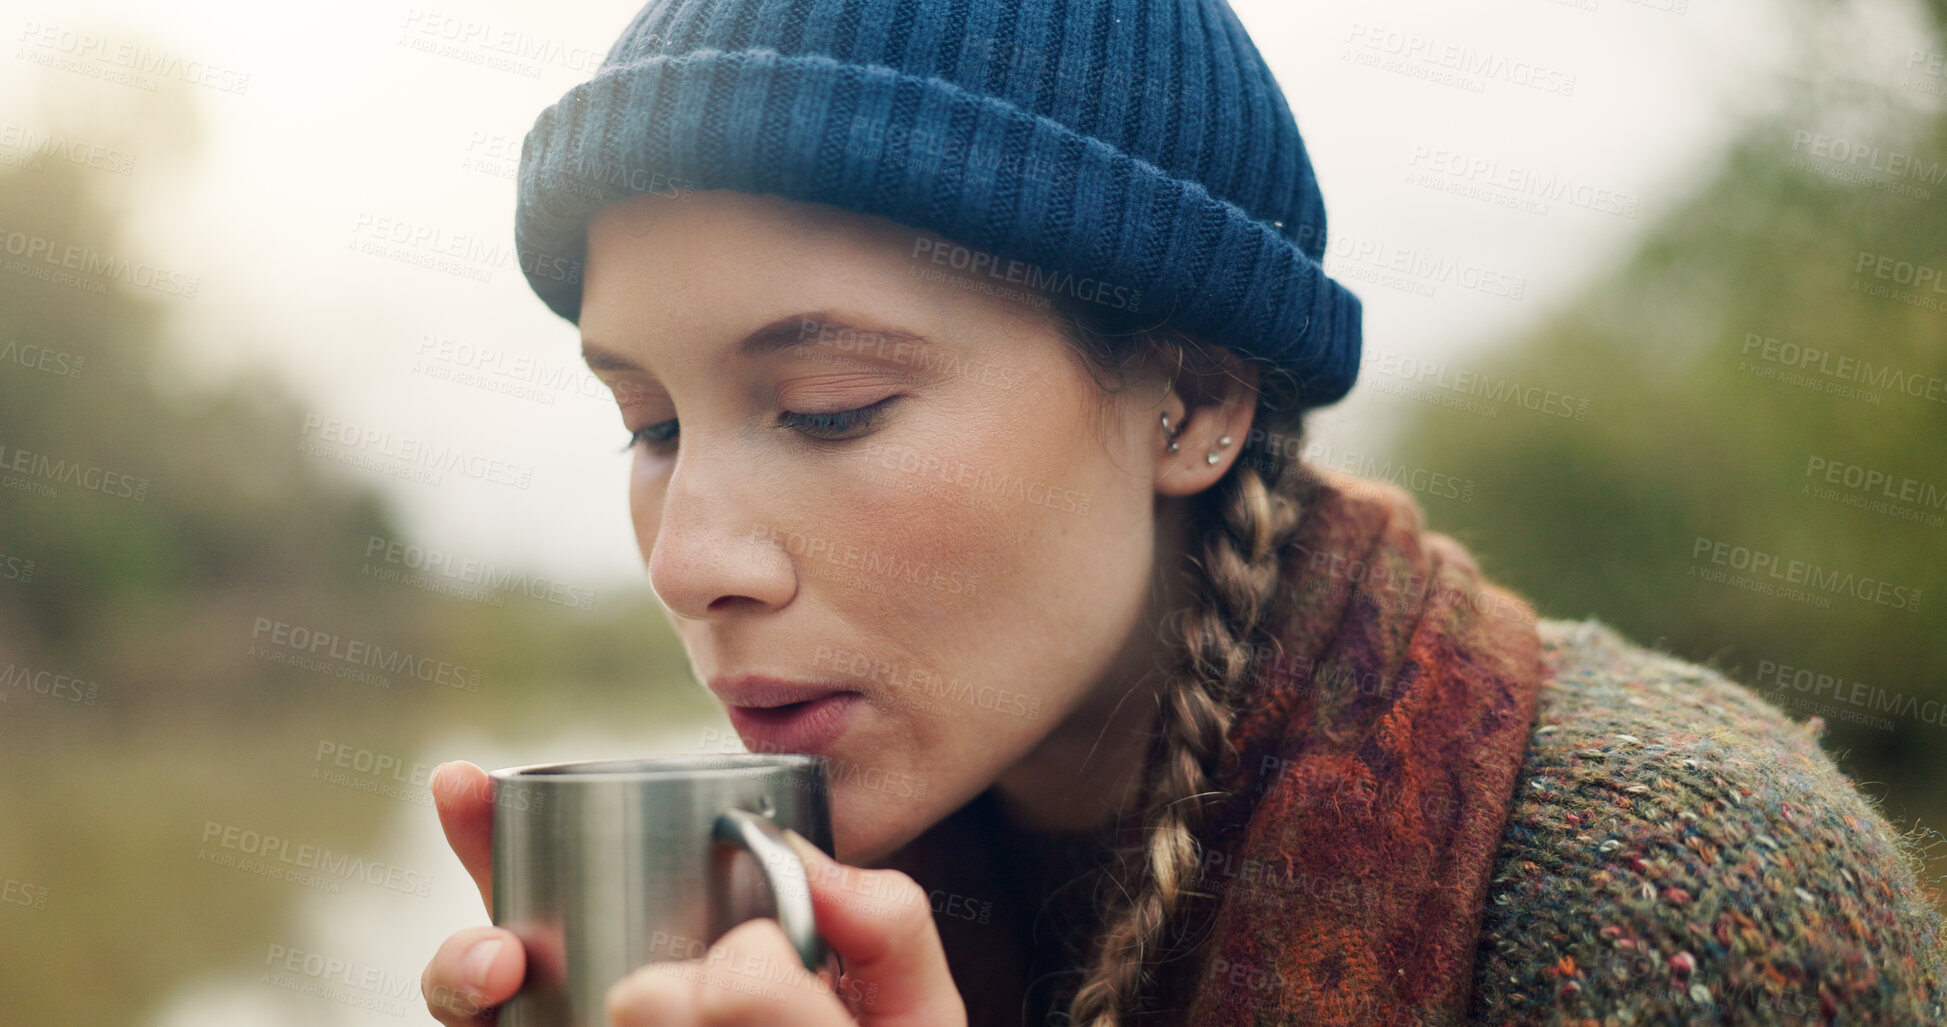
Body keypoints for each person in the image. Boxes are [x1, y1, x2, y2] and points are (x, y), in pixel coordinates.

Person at [420, 0, 1947, 1024]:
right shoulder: (802, 906)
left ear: (1196, 401)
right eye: (650, 426)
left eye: (830, 407)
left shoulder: (1675, 892)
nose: (690, 561)